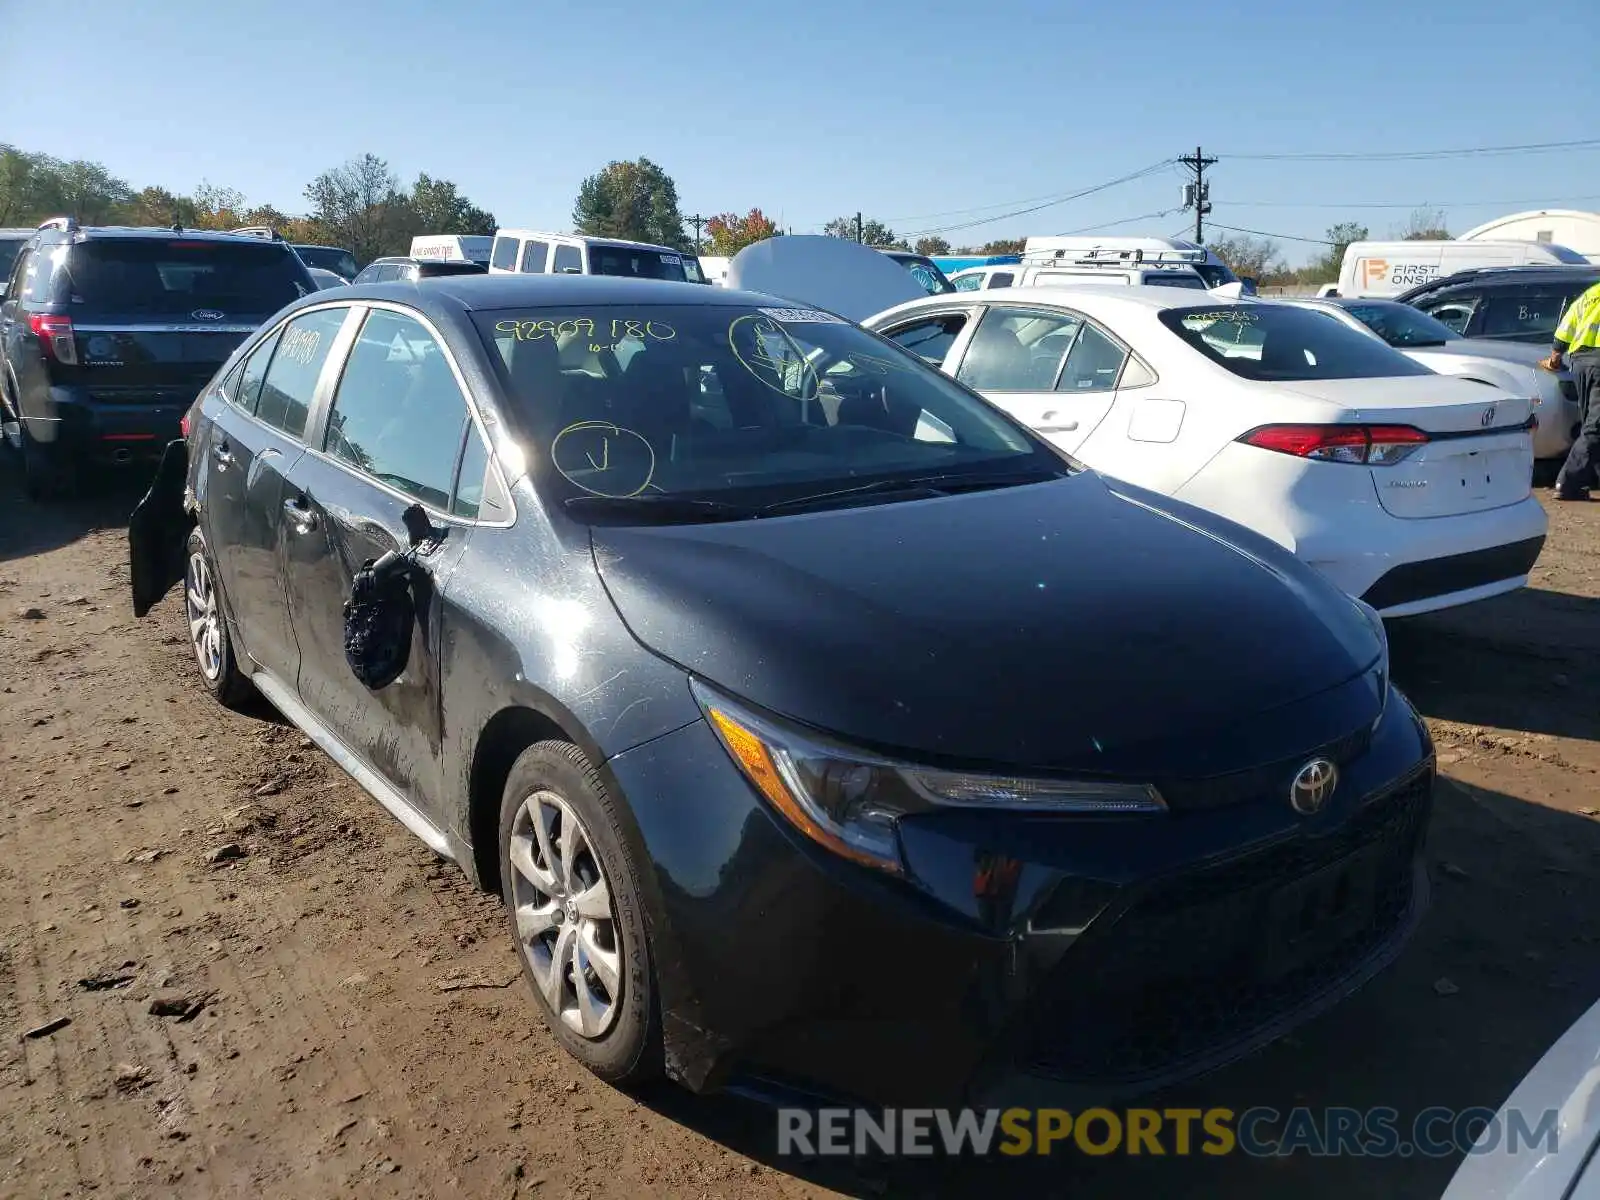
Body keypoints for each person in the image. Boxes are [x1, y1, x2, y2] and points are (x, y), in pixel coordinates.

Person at [1542, 278, 1600, 500]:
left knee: (1591, 424)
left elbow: (1567, 325)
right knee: (1595, 427)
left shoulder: (1591, 293)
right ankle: (1568, 482)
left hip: (1580, 362)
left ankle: (1586, 478)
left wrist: (1556, 355)